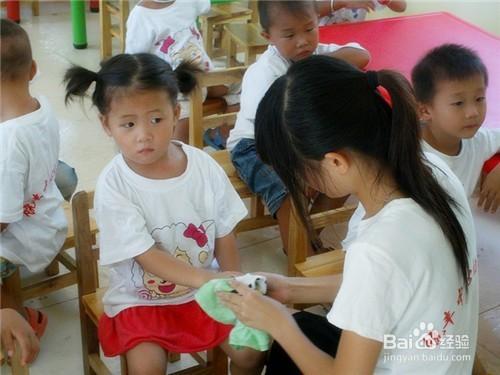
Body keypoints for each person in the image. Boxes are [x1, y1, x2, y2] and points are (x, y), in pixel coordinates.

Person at [219, 55, 478, 374]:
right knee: (302, 331)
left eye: (296, 174)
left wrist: (279, 324)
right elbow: (384, 285)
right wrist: (290, 288)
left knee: (291, 338)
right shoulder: (433, 171)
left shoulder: (379, 246)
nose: (300, 184)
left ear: (335, 162)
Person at [64, 53, 265, 374]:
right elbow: (146, 256)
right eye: (128, 124)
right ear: (107, 125)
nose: (143, 134)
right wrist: (209, 278)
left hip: (204, 291)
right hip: (141, 300)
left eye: (156, 119)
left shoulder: (202, 166)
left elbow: (224, 231)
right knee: (147, 369)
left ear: (175, 113)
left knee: (250, 353)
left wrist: (234, 284)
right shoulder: (115, 184)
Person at [226, 0, 370, 255]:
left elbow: (361, 55)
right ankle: (297, 252)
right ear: (268, 37)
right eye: (290, 35)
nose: (303, 41)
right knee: (287, 189)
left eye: (309, 29)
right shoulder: (265, 72)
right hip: (254, 145)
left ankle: (305, 235)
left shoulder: (314, 55)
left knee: (347, 170)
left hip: (297, 140)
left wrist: (312, 67)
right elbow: (269, 131)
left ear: (317, 21)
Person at [0, 19, 68, 338]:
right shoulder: (40, 106)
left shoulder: (9, 142)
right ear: (33, 69)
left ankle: (19, 320)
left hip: (26, 238)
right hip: (49, 212)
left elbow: (3, 219)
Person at [125, 0, 239, 147]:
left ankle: (221, 135)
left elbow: (206, 5)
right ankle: (179, 157)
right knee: (180, 135)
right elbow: (134, 63)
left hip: (206, 77)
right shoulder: (140, 16)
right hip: (177, 89)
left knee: (244, 83)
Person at [412, 43, 500, 213]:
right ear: (425, 110)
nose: (473, 112)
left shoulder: (478, 141)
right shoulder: (408, 153)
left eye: (479, 99)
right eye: (458, 103)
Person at [316, 0, 406, 26]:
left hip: (352, 35)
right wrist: (342, 3)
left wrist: (388, 1)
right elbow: (306, 11)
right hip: (319, 37)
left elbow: (402, 7)